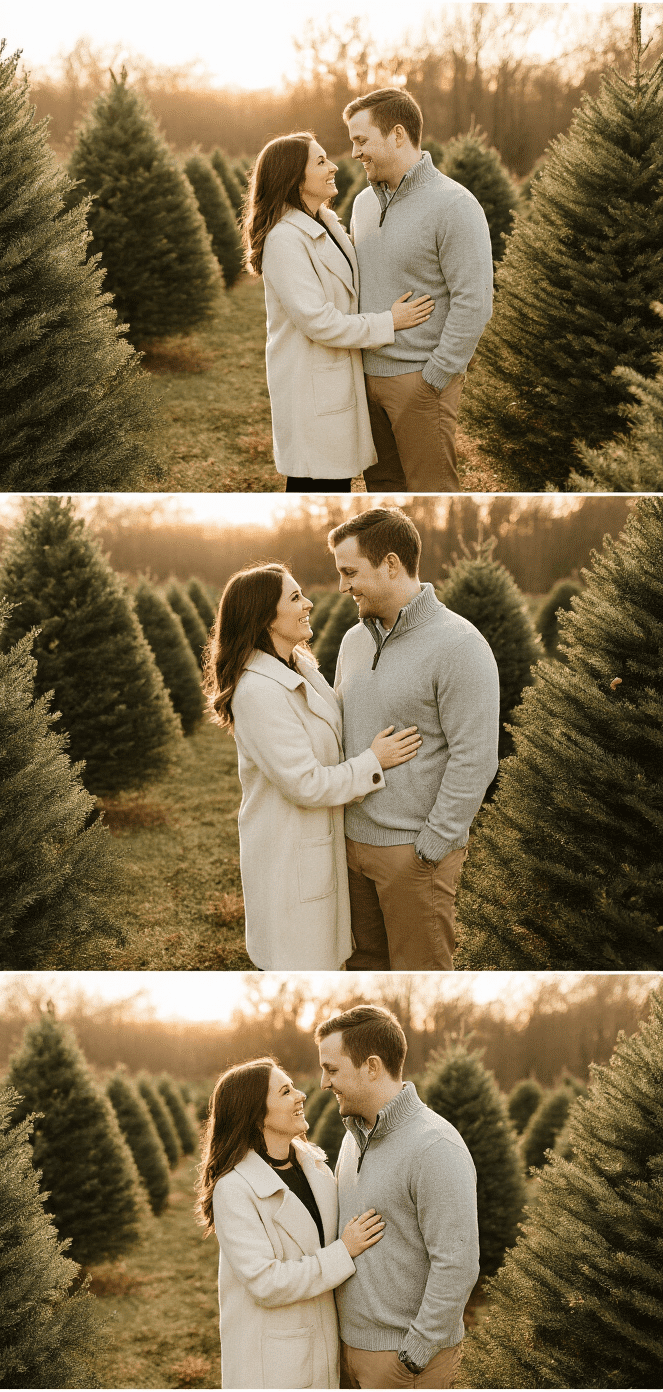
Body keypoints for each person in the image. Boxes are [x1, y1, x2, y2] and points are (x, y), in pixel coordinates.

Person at [203, 562, 421, 970]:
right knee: (302, 965)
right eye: (295, 598)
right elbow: (304, 783)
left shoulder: (298, 663)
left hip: (318, 848)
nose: (309, 603)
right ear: (265, 616)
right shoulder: (258, 691)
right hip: (289, 857)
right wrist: (374, 761)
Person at [328, 507, 500, 970]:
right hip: (350, 848)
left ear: (390, 564)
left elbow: (476, 758)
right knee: (362, 968)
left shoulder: (459, 644)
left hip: (413, 855)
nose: (343, 586)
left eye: (350, 572)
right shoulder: (352, 642)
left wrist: (432, 844)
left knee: (420, 973)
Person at [242, 132, 434, 491]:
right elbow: (317, 321)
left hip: (335, 381)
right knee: (314, 485)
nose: (333, 166)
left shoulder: (325, 222)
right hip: (310, 386)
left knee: (335, 484)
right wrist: (388, 323)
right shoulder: (285, 239)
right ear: (292, 179)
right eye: (320, 162)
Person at [195, 1056, 386, 1390]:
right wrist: (344, 1251)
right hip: (272, 1361)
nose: (301, 1095)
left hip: (325, 1344)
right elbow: (266, 1283)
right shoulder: (235, 1189)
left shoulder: (315, 1166)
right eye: (285, 1091)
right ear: (256, 1116)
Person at [315, 1006, 480, 1390]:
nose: (324, 1082)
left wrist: (415, 1354)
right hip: (349, 1351)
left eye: (332, 1069)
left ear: (371, 1066)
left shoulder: (434, 1147)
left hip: (405, 1364)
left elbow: (457, 1263)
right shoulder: (351, 1136)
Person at [343, 88, 494, 492]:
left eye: (361, 140)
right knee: (383, 492)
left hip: (420, 383)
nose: (355, 153)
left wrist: (436, 376)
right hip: (366, 381)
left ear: (396, 134)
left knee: (433, 492)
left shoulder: (455, 205)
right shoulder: (362, 204)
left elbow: (474, 301)